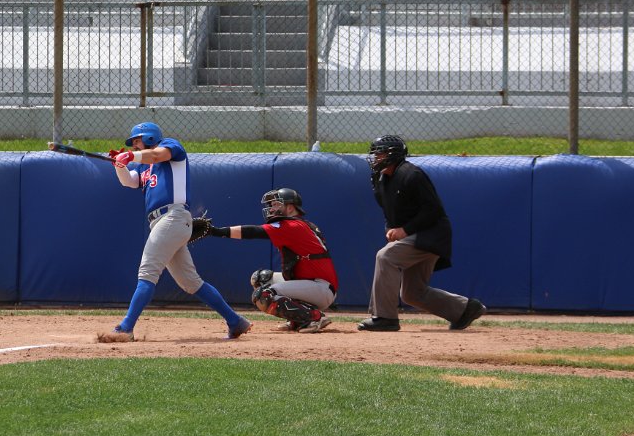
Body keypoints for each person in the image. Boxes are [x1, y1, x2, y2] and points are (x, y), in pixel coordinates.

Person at [98, 121, 253, 342]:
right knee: (191, 282)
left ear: (150, 137)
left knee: (147, 272)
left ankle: (126, 327)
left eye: (137, 141)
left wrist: (130, 156)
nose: (134, 145)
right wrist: (120, 166)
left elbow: (156, 155)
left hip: (173, 216)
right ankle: (235, 321)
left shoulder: (171, 146)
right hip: (162, 222)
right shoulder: (143, 166)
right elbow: (129, 182)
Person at [359, 134, 486, 332]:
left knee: (385, 257)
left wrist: (404, 230)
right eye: (375, 154)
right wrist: (391, 229)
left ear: (393, 155)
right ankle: (465, 309)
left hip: (431, 235)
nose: (376, 158)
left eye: (380, 154)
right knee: (412, 293)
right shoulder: (381, 179)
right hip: (416, 236)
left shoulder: (411, 174)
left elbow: (433, 210)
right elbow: (389, 212)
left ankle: (384, 318)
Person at [206, 188, 337, 334]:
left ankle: (314, 317)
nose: (272, 208)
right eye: (272, 205)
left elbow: (253, 232)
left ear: (290, 207)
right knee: (261, 278)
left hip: (320, 288)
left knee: (263, 295)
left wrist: (215, 231)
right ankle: (298, 319)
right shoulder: (297, 224)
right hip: (311, 284)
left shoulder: (293, 226)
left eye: (276, 204)